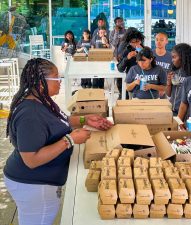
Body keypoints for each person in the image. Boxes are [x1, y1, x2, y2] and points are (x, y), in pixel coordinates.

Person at [3, 58, 112, 225]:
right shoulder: (30, 114)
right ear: (41, 82)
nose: (60, 82)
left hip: (40, 182)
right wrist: (69, 140)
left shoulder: (42, 100)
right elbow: (31, 160)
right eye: (56, 78)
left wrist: (85, 120)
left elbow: (60, 122)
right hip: (33, 185)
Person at [166, 43, 191, 116]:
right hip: (173, 110)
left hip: (187, 113)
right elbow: (168, 94)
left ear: (183, 57)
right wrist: (168, 82)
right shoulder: (174, 70)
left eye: (174, 57)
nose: (172, 60)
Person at [117, 28, 145, 99]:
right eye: (133, 42)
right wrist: (127, 58)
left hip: (144, 80)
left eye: (138, 41)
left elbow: (152, 65)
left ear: (141, 40)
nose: (136, 44)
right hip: (132, 82)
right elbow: (120, 69)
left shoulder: (145, 50)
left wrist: (143, 54)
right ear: (129, 42)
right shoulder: (127, 50)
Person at [153, 32, 172, 98]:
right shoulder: (150, 55)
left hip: (165, 89)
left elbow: (172, 74)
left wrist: (164, 89)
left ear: (166, 41)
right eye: (157, 39)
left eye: (161, 40)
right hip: (150, 88)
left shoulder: (171, 56)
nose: (158, 42)